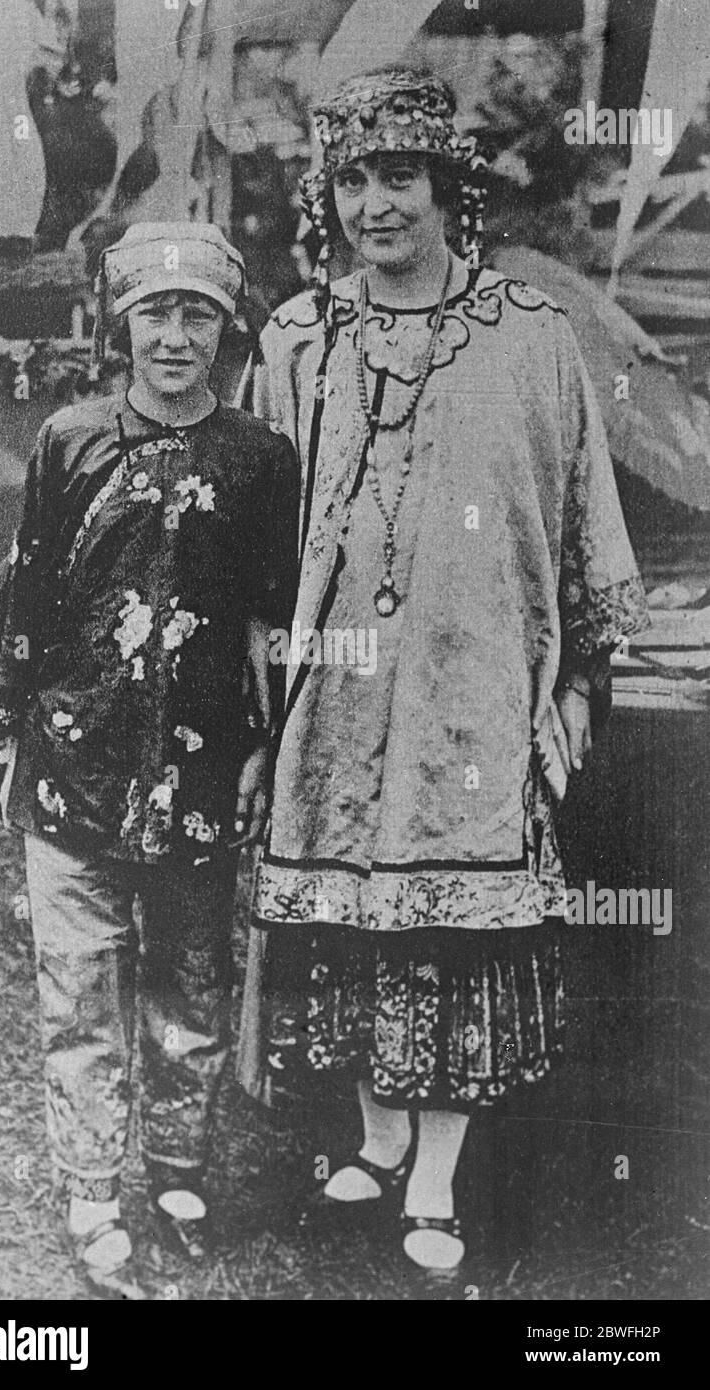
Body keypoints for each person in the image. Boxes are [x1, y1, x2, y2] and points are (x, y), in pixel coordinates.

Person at [240, 68, 648, 1274]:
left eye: (399, 177)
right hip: (332, 689)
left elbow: (577, 519)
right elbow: (264, 542)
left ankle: (433, 1184)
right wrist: (259, 697)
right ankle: (370, 1141)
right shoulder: (295, 342)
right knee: (354, 928)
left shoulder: (528, 335)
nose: (377, 205)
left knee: (451, 935)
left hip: (470, 692)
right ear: (331, 195)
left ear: (444, 186)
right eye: (355, 180)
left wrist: (572, 683)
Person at [0, 222, 299, 1294]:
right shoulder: (69, 439)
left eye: (195, 312)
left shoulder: (258, 459)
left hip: (202, 771)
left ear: (225, 326)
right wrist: (10, 727)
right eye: (153, 312)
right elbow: (30, 595)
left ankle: (177, 1170)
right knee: (79, 986)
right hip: (76, 761)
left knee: (192, 983)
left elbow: (269, 615)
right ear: (119, 324)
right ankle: (88, 1187)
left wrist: (261, 749)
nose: (172, 335)